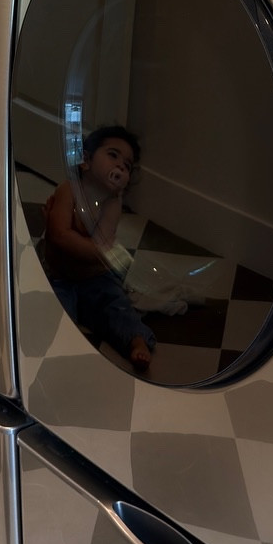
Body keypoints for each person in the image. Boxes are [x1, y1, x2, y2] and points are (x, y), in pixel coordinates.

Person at [40, 125, 156, 371]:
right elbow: (60, 235)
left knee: (117, 306)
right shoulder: (69, 189)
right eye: (113, 155)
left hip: (94, 278)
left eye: (127, 165)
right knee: (52, 309)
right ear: (86, 160)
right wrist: (101, 253)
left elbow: (100, 247)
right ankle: (59, 342)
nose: (120, 167)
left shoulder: (112, 203)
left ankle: (136, 341)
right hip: (59, 276)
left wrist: (101, 255)